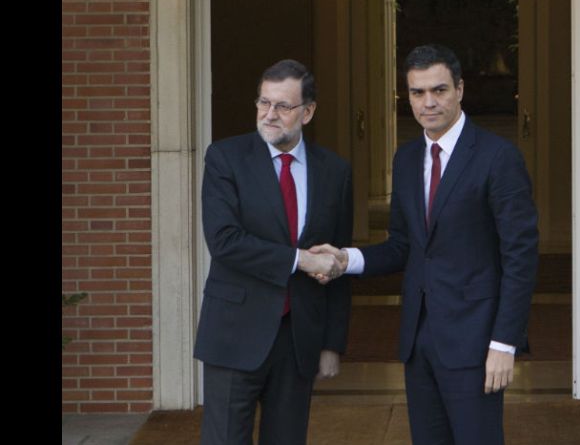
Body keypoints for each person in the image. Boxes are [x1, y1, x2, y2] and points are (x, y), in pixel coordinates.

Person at [311, 44, 539, 445]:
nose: (428, 102)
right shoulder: (406, 158)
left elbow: (519, 258)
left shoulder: (497, 157)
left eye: (439, 90)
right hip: (419, 342)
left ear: (460, 90)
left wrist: (504, 343)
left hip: (476, 343)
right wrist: (347, 259)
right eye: (417, 93)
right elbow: (403, 244)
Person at [194, 59, 352, 445]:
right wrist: (301, 259)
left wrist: (332, 343)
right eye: (264, 103)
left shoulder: (334, 171)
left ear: (308, 111)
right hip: (235, 333)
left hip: (298, 338)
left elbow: (339, 261)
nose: (270, 114)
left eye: (283, 106)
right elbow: (225, 241)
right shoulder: (225, 158)